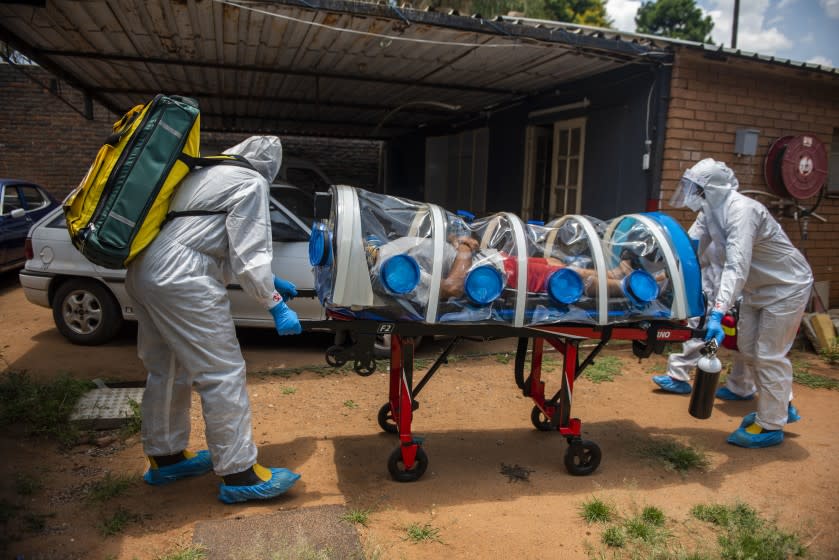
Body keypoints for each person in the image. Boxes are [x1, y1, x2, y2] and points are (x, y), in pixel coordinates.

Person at [125, 135, 303, 503]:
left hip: (144, 270)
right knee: (222, 373)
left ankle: (166, 456)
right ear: (269, 167)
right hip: (182, 279)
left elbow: (204, 239)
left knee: (167, 368)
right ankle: (240, 473)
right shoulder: (250, 182)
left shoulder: (202, 175)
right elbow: (250, 255)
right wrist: (274, 303)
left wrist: (270, 281)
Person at [670, 158, 813, 448]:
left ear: (712, 188)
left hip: (786, 287)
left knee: (768, 354)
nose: (691, 194)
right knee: (748, 349)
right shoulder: (710, 212)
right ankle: (779, 407)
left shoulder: (742, 211)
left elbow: (736, 267)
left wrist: (716, 313)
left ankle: (771, 424)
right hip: (756, 289)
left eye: (696, 188)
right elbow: (689, 251)